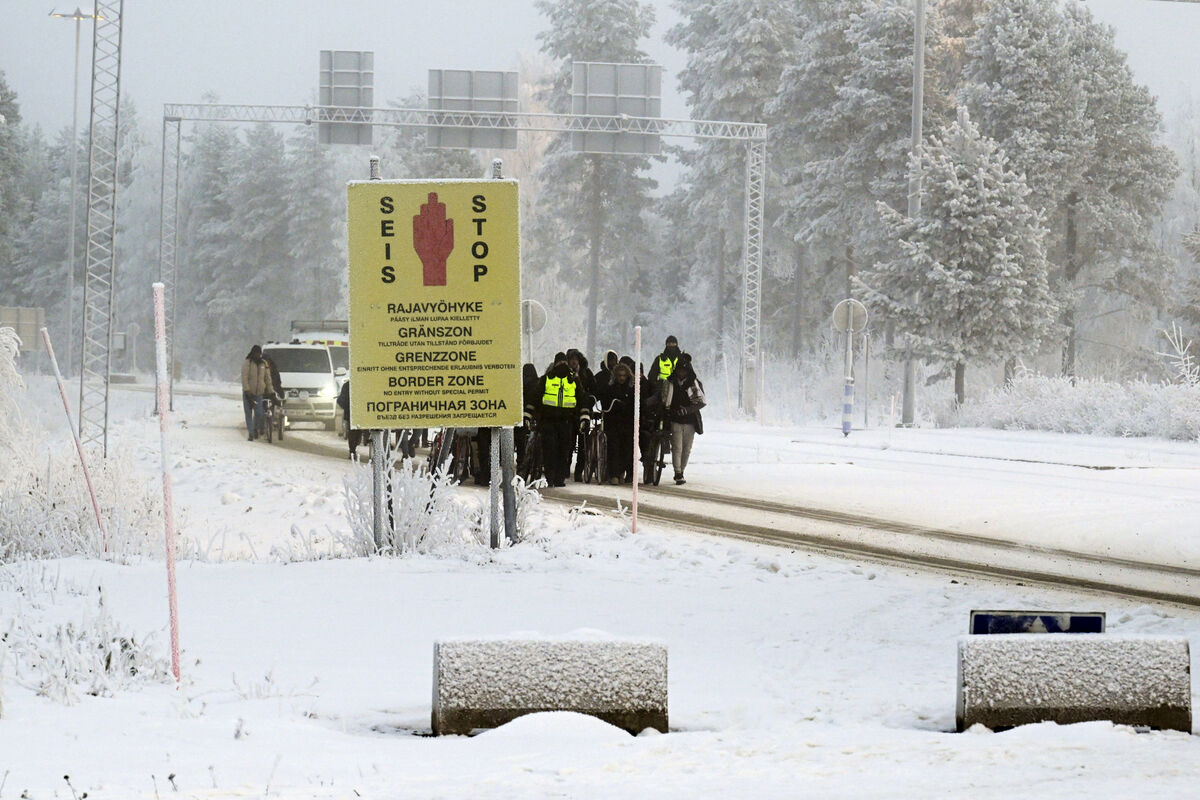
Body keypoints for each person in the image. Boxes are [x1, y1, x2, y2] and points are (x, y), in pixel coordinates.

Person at [526, 352, 591, 487]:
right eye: (560, 363)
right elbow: (535, 397)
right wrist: (528, 414)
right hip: (548, 420)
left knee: (564, 450)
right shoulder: (546, 379)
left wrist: (584, 416)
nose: (562, 365)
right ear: (555, 363)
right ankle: (551, 477)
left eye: (564, 363)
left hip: (566, 421)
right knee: (550, 449)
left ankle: (559, 478)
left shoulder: (573, 380)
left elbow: (582, 399)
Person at [663, 354, 705, 485]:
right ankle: (678, 472)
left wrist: (686, 410)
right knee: (677, 447)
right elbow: (664, 399)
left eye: (684, 370)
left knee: (686, 448)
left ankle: (681, 470)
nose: (681, 373)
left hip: (690, 421)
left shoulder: (694, 384)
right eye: (680, 370)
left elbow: (701, 401)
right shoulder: (669, 383)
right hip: (675, 419)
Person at [598, 361, 636, 483]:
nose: (621, 378)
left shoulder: (631, 389)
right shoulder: (610, 388)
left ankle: (621, 471)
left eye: (624, 376)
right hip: (613, 422)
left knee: (626, 447)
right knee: (613, 447)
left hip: (627, 423)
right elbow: (605, 403)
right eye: (619, 375)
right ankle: (613, 474)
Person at [241, 345, 270, 441]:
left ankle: (254, 428)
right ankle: (251, 433)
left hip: (259, 394)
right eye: (256, 353)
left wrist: (270, 391)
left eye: (259, 353)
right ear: (252, 353)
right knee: (248, 414)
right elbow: (244, 377)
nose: (258, 355)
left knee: (259, 413)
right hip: (248, 393)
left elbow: (267, 379)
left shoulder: (263, 364)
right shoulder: (247, 363)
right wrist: (247, 389)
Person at [337, 379, 362, 459]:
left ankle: (352, 451)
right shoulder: (348, 385)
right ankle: (352, 450)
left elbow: (340, 400)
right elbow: (341, 400)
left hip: (352, 413)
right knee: (354, 433)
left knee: (353, 432)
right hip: (354, 413)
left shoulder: (347, 385)